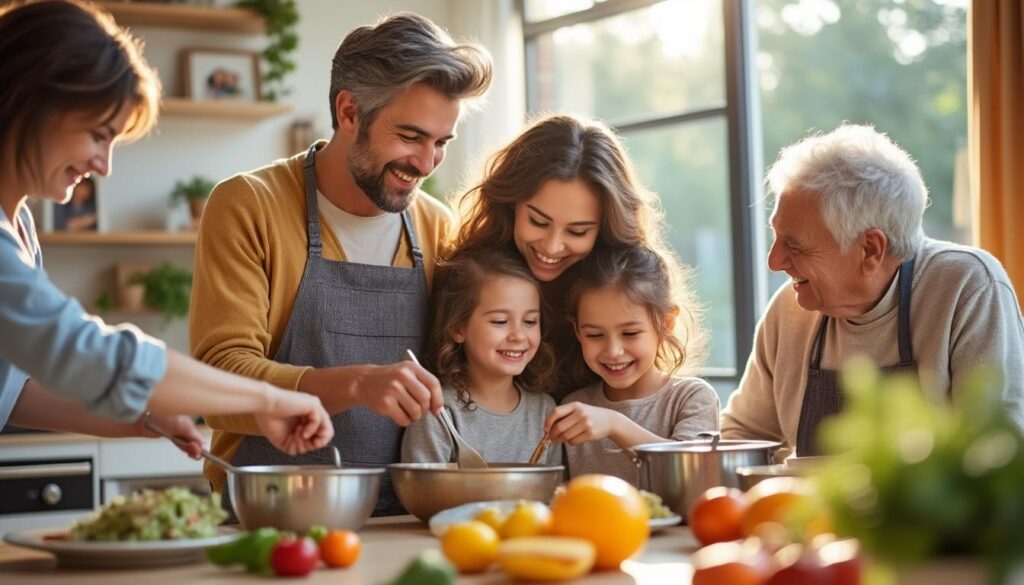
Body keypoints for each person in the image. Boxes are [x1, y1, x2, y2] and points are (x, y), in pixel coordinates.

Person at [0, 0, 334, 457]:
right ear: (32, 101)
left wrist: (141, 417)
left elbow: (11, 392)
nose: (104, 165)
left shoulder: (18, 224)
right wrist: (270, 397)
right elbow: (78, 348)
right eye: (98, 134)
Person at [189, 12, 493, 514]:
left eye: (441, 143)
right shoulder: (250, 205)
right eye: (411, 136)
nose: (426, 163)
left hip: (407, 517)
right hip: (274, 514)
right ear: (349, 112)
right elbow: (218, 381)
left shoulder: (437, 226)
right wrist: (356, 385)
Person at [721, 124, 1024, 458]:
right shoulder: (789, 310)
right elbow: (742, 436)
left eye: (795, 245)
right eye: (776, 236)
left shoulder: (967, 287)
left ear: (870, 249)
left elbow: (997, 453)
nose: (774, 261)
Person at [450, 114, 671, 395]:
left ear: (605, 230)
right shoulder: (475, 277)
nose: (552, 247)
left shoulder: (624, 290)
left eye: (577, 232)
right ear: (510, 205)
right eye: (538, 222)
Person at [543, 245, 719, 486]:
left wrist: (615, 425)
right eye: (595, 335)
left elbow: (693, 474)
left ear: (666, 323)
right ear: (577, 331)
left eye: (630, 333)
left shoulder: (691, 397)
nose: (613, 351)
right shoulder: (575, 408)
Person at [401, 247, 560, 465]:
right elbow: (420, 492)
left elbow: (556, 492)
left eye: (530, 321)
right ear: (458, 328)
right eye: (500, 322)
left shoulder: (546, 411)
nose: (518, 335)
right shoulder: (438, 410)